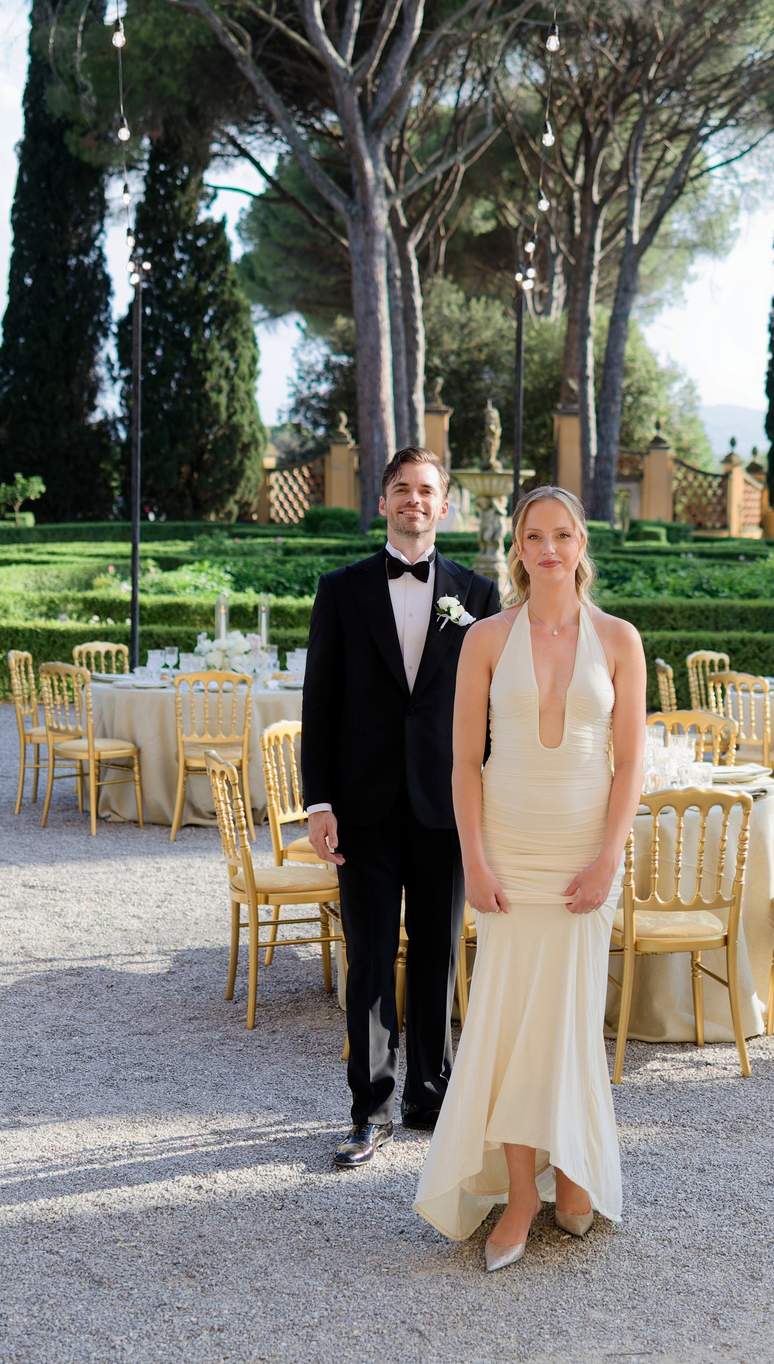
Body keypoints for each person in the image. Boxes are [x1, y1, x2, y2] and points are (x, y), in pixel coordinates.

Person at [414, 486, 644, 1269]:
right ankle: (519, 1193)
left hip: (583, 853)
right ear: (517, 548)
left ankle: (573, 1168)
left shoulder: (620, 639)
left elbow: (632, 762)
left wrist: (609, 856)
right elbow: (463, 763)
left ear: (582, 543)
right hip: (509, 856)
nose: (549, 548)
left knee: (571, 1019)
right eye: (533, 536)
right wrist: (474, 861)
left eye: (563, 534)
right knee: (511, 1023)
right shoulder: (484, 638)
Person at [302, 447, 502, 1168]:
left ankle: (429, 1095)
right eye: (400, 489)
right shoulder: (342, 590)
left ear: (446, 505)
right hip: (362, 807)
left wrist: (492, 802)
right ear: (382, 501)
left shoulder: (478, 596)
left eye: (426, 490)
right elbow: (319, 703)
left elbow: (492, 716)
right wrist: (318, 803)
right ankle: (369, 1109)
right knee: (370, 960)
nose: (413, 500)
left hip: (447, 807)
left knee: (441, 954)